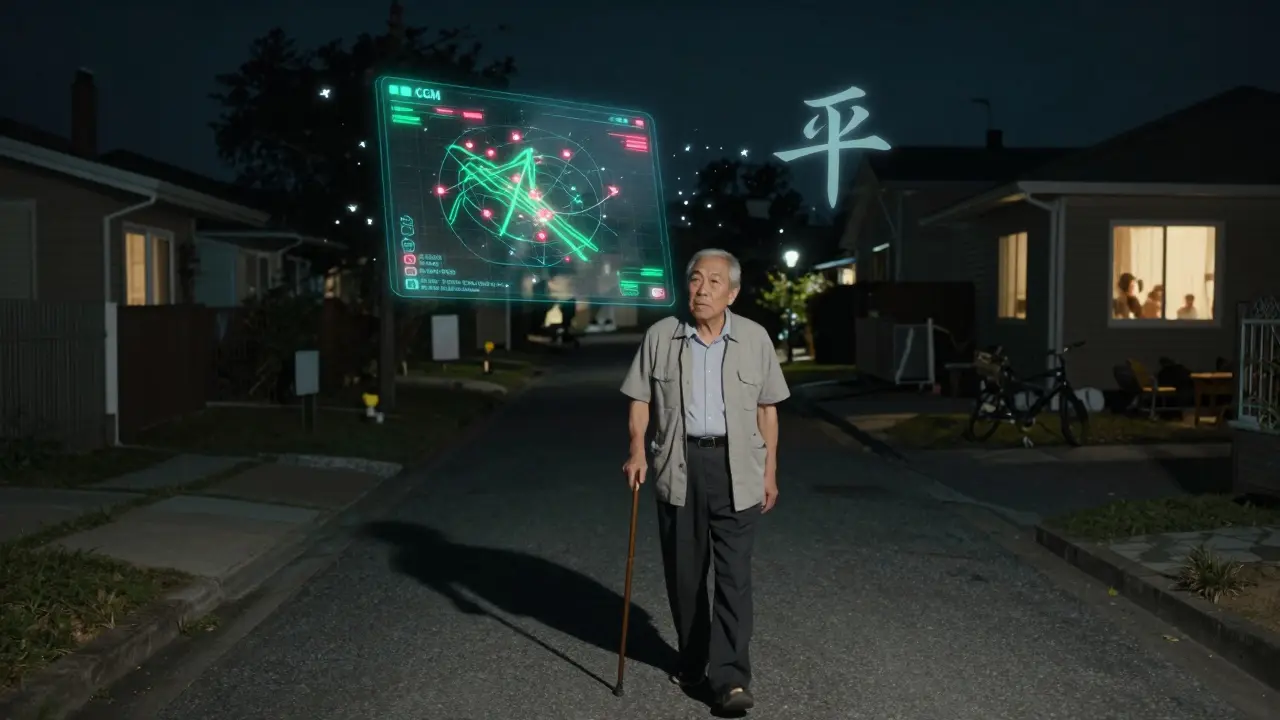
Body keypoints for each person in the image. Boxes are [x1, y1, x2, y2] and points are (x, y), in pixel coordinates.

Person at [619, 248, 789, 714]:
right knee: (685, 575)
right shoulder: (662, 335)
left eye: (714, 282)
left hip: (738, 467)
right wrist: (637, 449)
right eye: (696, 279)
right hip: (679, 463)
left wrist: (770, 469)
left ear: (732, 293)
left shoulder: (754, 339)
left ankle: (731, 679)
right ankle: (693, 661)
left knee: (734, 578)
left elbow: (767, 409)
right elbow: (639, 398)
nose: (702, 289)